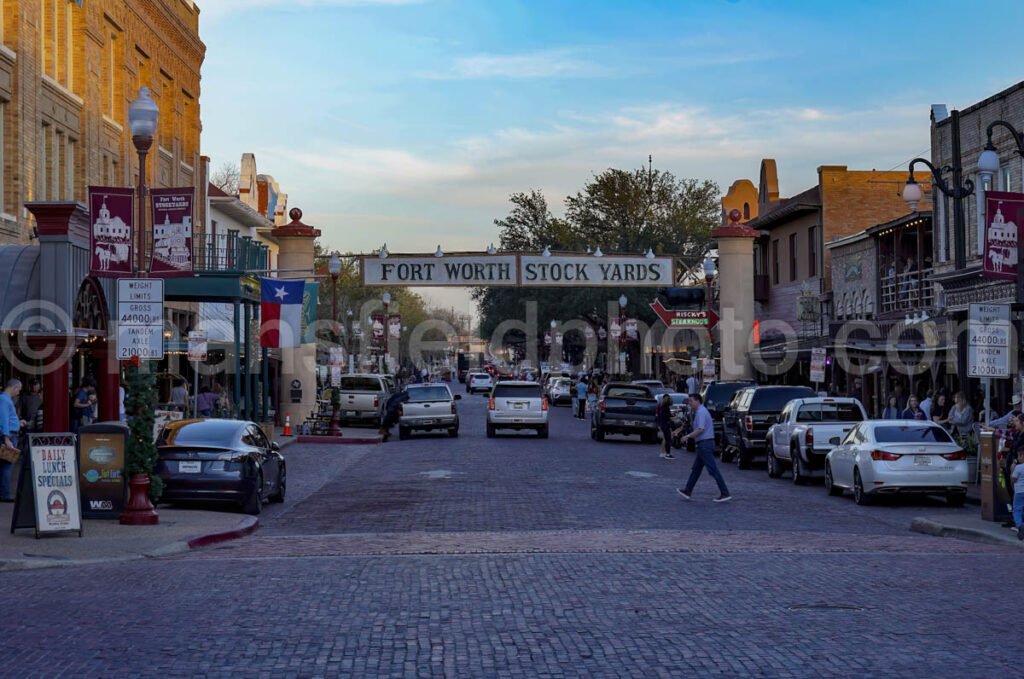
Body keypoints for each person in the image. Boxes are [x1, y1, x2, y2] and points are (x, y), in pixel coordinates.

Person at [675, 393, 731, 503]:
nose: (690, 403)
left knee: (713, 470)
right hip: (703, 444)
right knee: (696, 470)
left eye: (691, 401)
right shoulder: (701, 411)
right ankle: (688, 490)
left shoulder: (701, 412)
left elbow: (700, 429)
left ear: (697, 401)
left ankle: (725, 493)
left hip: (705, 444)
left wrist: (687, 436)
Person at [0, 379, 24, 502]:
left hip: (9, 434)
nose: (18, 392)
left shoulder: (4, 399)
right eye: (18, 390)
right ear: (14, 387)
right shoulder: (4, 400)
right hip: (9, 436)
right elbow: (3, 419)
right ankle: (4, 494)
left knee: (5, 465)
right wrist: (6, 438)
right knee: (7, 466)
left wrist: (18, 423)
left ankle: (4, 492)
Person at [1011, 437, 1024, 540]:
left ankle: (1020, 526)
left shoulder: (1019, 467)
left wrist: (1012, 469)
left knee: (1017, 510)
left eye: (1019, 456)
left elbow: (1013, 479)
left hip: (1019, 491)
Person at [657, 393, 675, 461]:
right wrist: (677, 417)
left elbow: (663, 415)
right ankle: (666, 453)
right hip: (665, 424)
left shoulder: (662, 406)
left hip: (662, 424)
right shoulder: (666, 408)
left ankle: (664, 452)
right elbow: (669, 417)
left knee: (665, 439)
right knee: (667, 439)